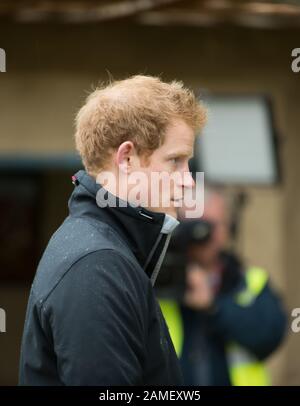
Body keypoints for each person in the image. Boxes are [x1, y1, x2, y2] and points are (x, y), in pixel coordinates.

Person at [19, 75, 207, 385]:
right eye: (175, 161)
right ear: (127, 158)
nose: (188, 180)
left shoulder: (102, 250)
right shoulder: (97, 266)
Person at [159, 189, 287, 385]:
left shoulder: (249, 281)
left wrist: (213, 306)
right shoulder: (158, 282)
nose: (204, 234)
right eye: (197, 223)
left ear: (229, 228)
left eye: (213, 225)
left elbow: (268, 336)